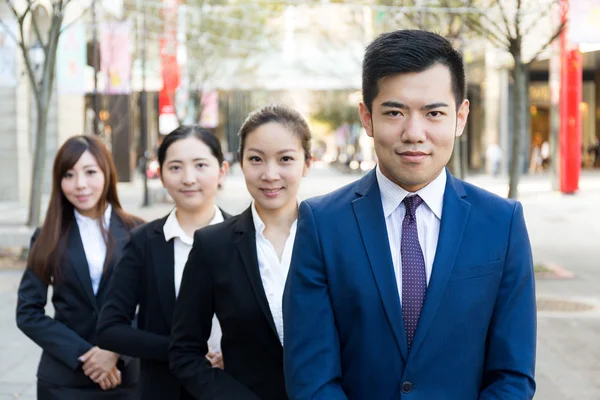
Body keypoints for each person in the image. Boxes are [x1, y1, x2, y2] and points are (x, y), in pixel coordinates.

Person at [283, 30, 536, 400]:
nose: (414, 133)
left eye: (434, 113)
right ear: (367, 118)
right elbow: (311, 377)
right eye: (394, 112)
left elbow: (512, 374)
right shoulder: (322, 224)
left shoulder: (503, 222)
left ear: (460, 117)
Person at [169, 104, 312, 400]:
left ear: (307, 163)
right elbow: (184, 353)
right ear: (241, 163)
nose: (270, 174)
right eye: (256, 159)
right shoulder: (213, 245)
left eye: (285, 159)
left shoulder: (334, 235)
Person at [96, 126, 230, 400]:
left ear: (222, 171)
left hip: (236, 385)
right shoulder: (143, 242)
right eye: (176, 167)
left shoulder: (247, 237)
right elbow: (110, 330)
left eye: (201, 165)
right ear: (161, 174)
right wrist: (179, 350)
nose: (189, 178)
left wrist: (238, 352)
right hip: (166, 388)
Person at [16, 135, 143, 399]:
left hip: (126, 378)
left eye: (90, 172)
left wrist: (115, 351)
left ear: (107, 173)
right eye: (69, 175)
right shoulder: (47, 236)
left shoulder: (139, 231)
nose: (80, 185)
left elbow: (156, 305)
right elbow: (28, 312)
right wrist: (86, 355)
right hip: (64, 380)